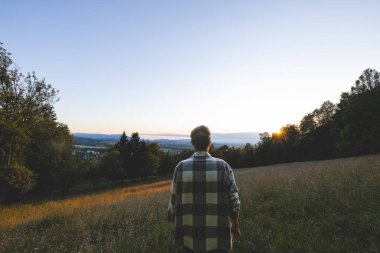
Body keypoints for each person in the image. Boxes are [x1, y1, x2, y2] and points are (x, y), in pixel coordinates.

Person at [168, 125, 241, 253]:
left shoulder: (181, 167)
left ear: (192, 143)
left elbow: (173, 202)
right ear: (210, 143)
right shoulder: (223, 166)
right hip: (218, 237)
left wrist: (172, 222)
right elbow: (234, 200)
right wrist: (235, 225)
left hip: (189, 237)